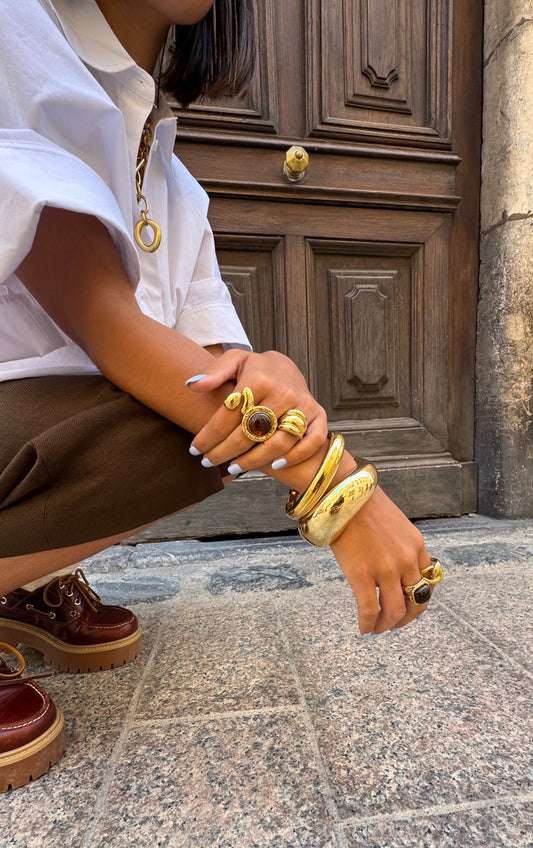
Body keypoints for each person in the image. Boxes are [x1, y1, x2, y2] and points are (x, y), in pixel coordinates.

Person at [0, 0, 442, 792]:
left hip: (29, 425)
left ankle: (19, 587)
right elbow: (105, 320)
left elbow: (215, 361)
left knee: (214, 424)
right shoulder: (14, 32)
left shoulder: (168, 169)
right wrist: (338, 490)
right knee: (191, 422)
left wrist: (274, 373)